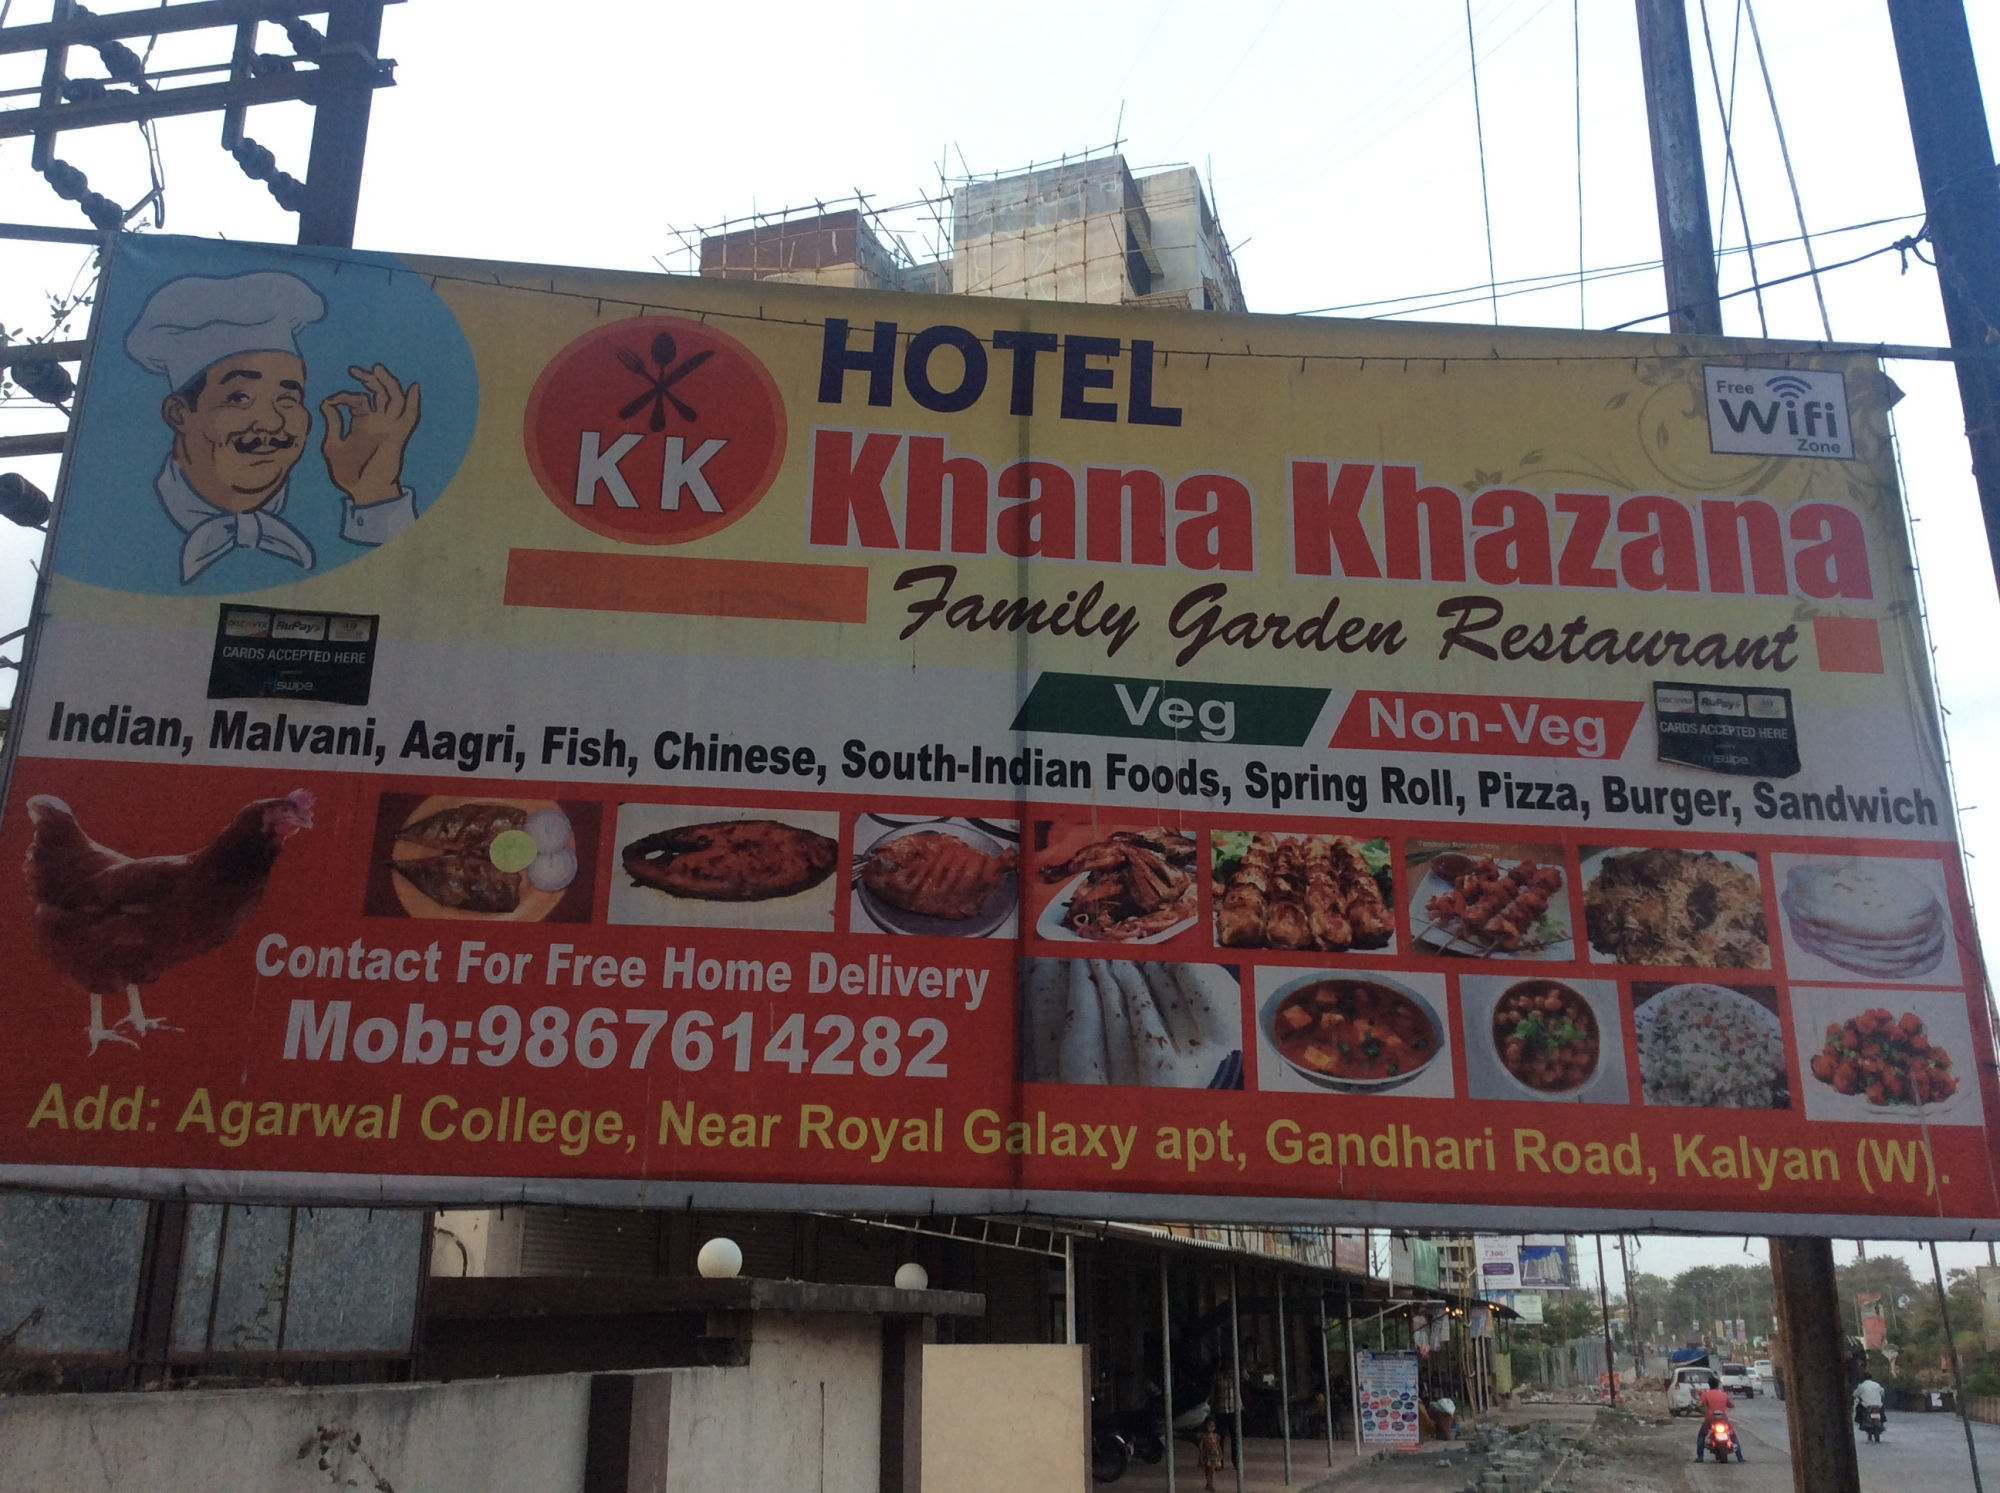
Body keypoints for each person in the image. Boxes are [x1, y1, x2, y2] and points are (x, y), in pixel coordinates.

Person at [125, 271, 423, 584]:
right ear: (179, 414)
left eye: (288, 398)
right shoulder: (124, 519)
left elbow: (400, 598)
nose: (272, 422)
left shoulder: (323, 504)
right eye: (239, 398)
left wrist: (375, 495)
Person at [1694, 1373, 1738, 1462]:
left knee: (1701, 1436)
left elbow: (1699, 1405)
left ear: (1709, 1385)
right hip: (1723, 1419)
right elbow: (1730, 1404)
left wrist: (1697, 1406)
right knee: (1733, 1437)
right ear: (1718, 1385)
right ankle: (1740, 1457)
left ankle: (1700, 1457)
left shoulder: (1705, 1395)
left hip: (1710, 1419)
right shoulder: (1724, 1395)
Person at [1209, 1362, 1240, 1469]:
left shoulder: (1235, 1376)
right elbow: (1213, 1392)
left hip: (1233, 1410)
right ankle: (1220, 1461)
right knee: (1220, 1438)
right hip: (1221, 1410)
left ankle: (1236, 1461)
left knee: (1235, 1437)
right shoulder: (1217, 1377)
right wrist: (1212, 1408)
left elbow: (1246, 1377)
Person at [1195, 1416, 1224, 1491]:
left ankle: (1211, 1484)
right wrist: (1201, 1453)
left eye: (1213, 1426)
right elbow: (1201, 1446)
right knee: (1207, 1469)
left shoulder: (1216, 1436)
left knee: (1212, 1469)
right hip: (1206, 1454)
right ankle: (1208, 1483)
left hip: (1213, 1454)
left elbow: (1218, 1445)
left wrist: (1220, 1454)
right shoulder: (1204, 1436)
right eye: (1209, 1426)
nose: (1211, 1428)